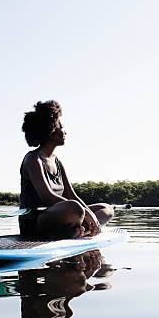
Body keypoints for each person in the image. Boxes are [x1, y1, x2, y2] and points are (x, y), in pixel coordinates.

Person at [19, 100, 114, 239]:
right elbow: (47, 197)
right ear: (50, 130)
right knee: (75, 209)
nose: (65, 131)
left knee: (107, 209)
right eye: (61, 127)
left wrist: (91, 214)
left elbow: (72, 195)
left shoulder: (57, 161)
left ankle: (77, 231)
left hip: (61, 218)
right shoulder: (33, 159)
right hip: (35, 221)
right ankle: (76, 230)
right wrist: (85, 213)